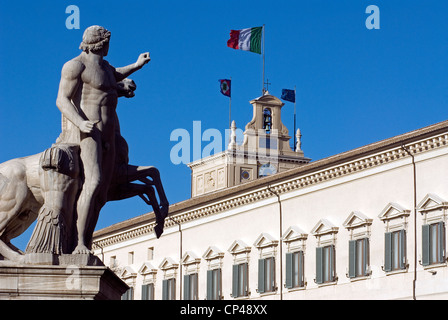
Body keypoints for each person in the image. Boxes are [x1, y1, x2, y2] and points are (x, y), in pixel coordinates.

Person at [56, 25, 150, 254]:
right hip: (90, 131)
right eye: (107, 42)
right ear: (99, 43)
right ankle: (77, 243)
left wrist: (137, 65)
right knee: (94, 181)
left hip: (109, 135)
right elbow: (61, 100)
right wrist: (80, 123)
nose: (109, 46)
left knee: (103, 191)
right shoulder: (75, 65)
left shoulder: (106, 67)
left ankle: (86, 242)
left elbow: (116, 75)